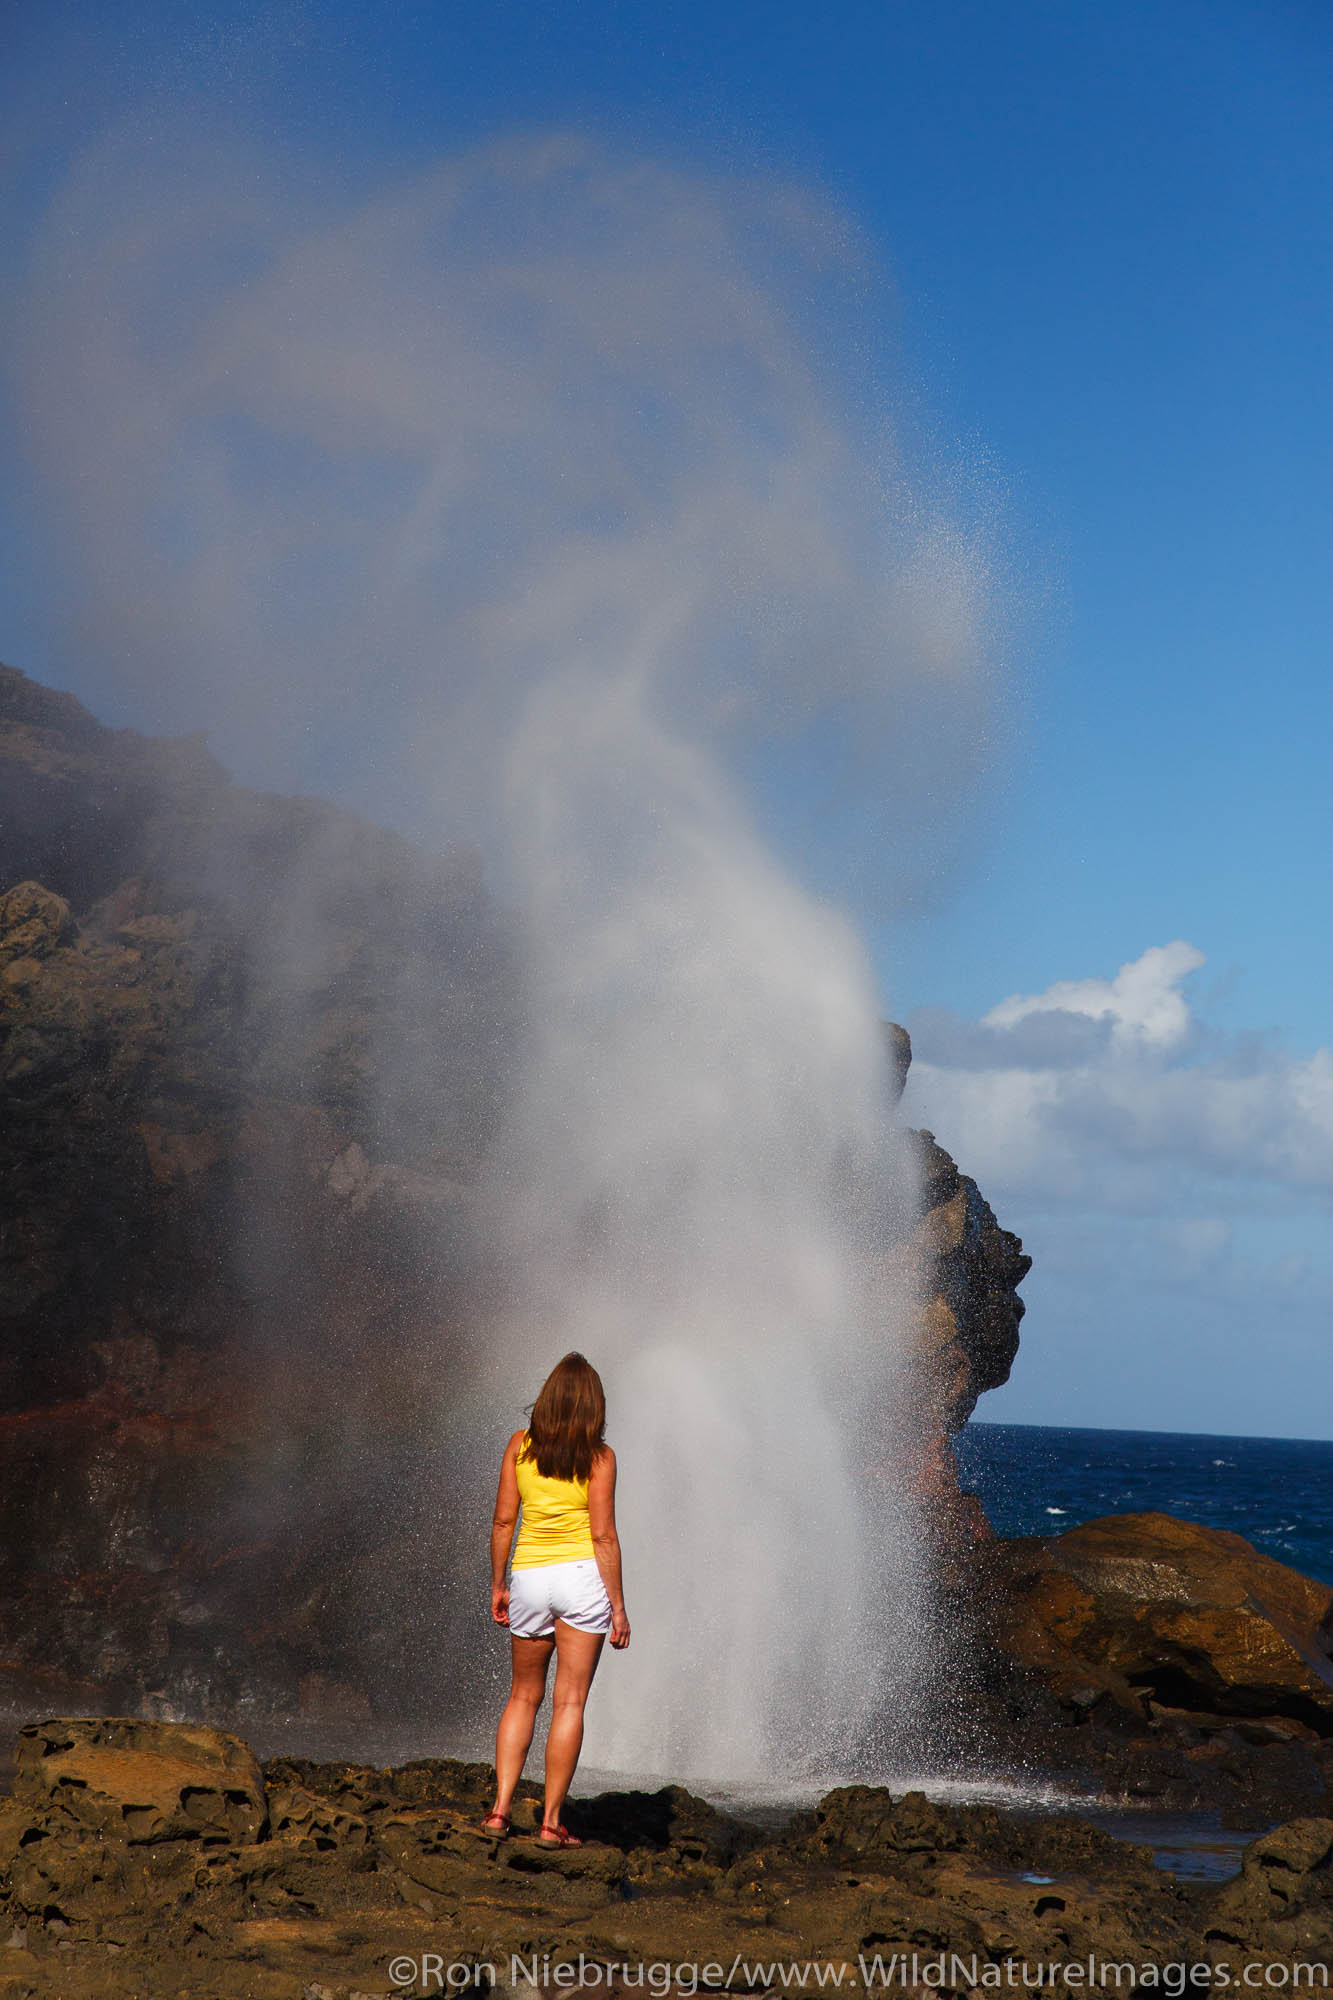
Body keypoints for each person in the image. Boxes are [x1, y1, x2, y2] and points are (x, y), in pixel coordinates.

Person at [485, 1351, 630, 1846]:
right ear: (593, 1407)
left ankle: (500, 1811)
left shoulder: (518, 1447)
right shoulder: (600, 1458)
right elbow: (604, 1536)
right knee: (570, 1701)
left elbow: (504, 1521)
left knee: (523, 1695)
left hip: (528, 1577)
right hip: (581, 1581)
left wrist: (498, 1584)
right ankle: (550, 1823)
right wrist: (619, 1607)